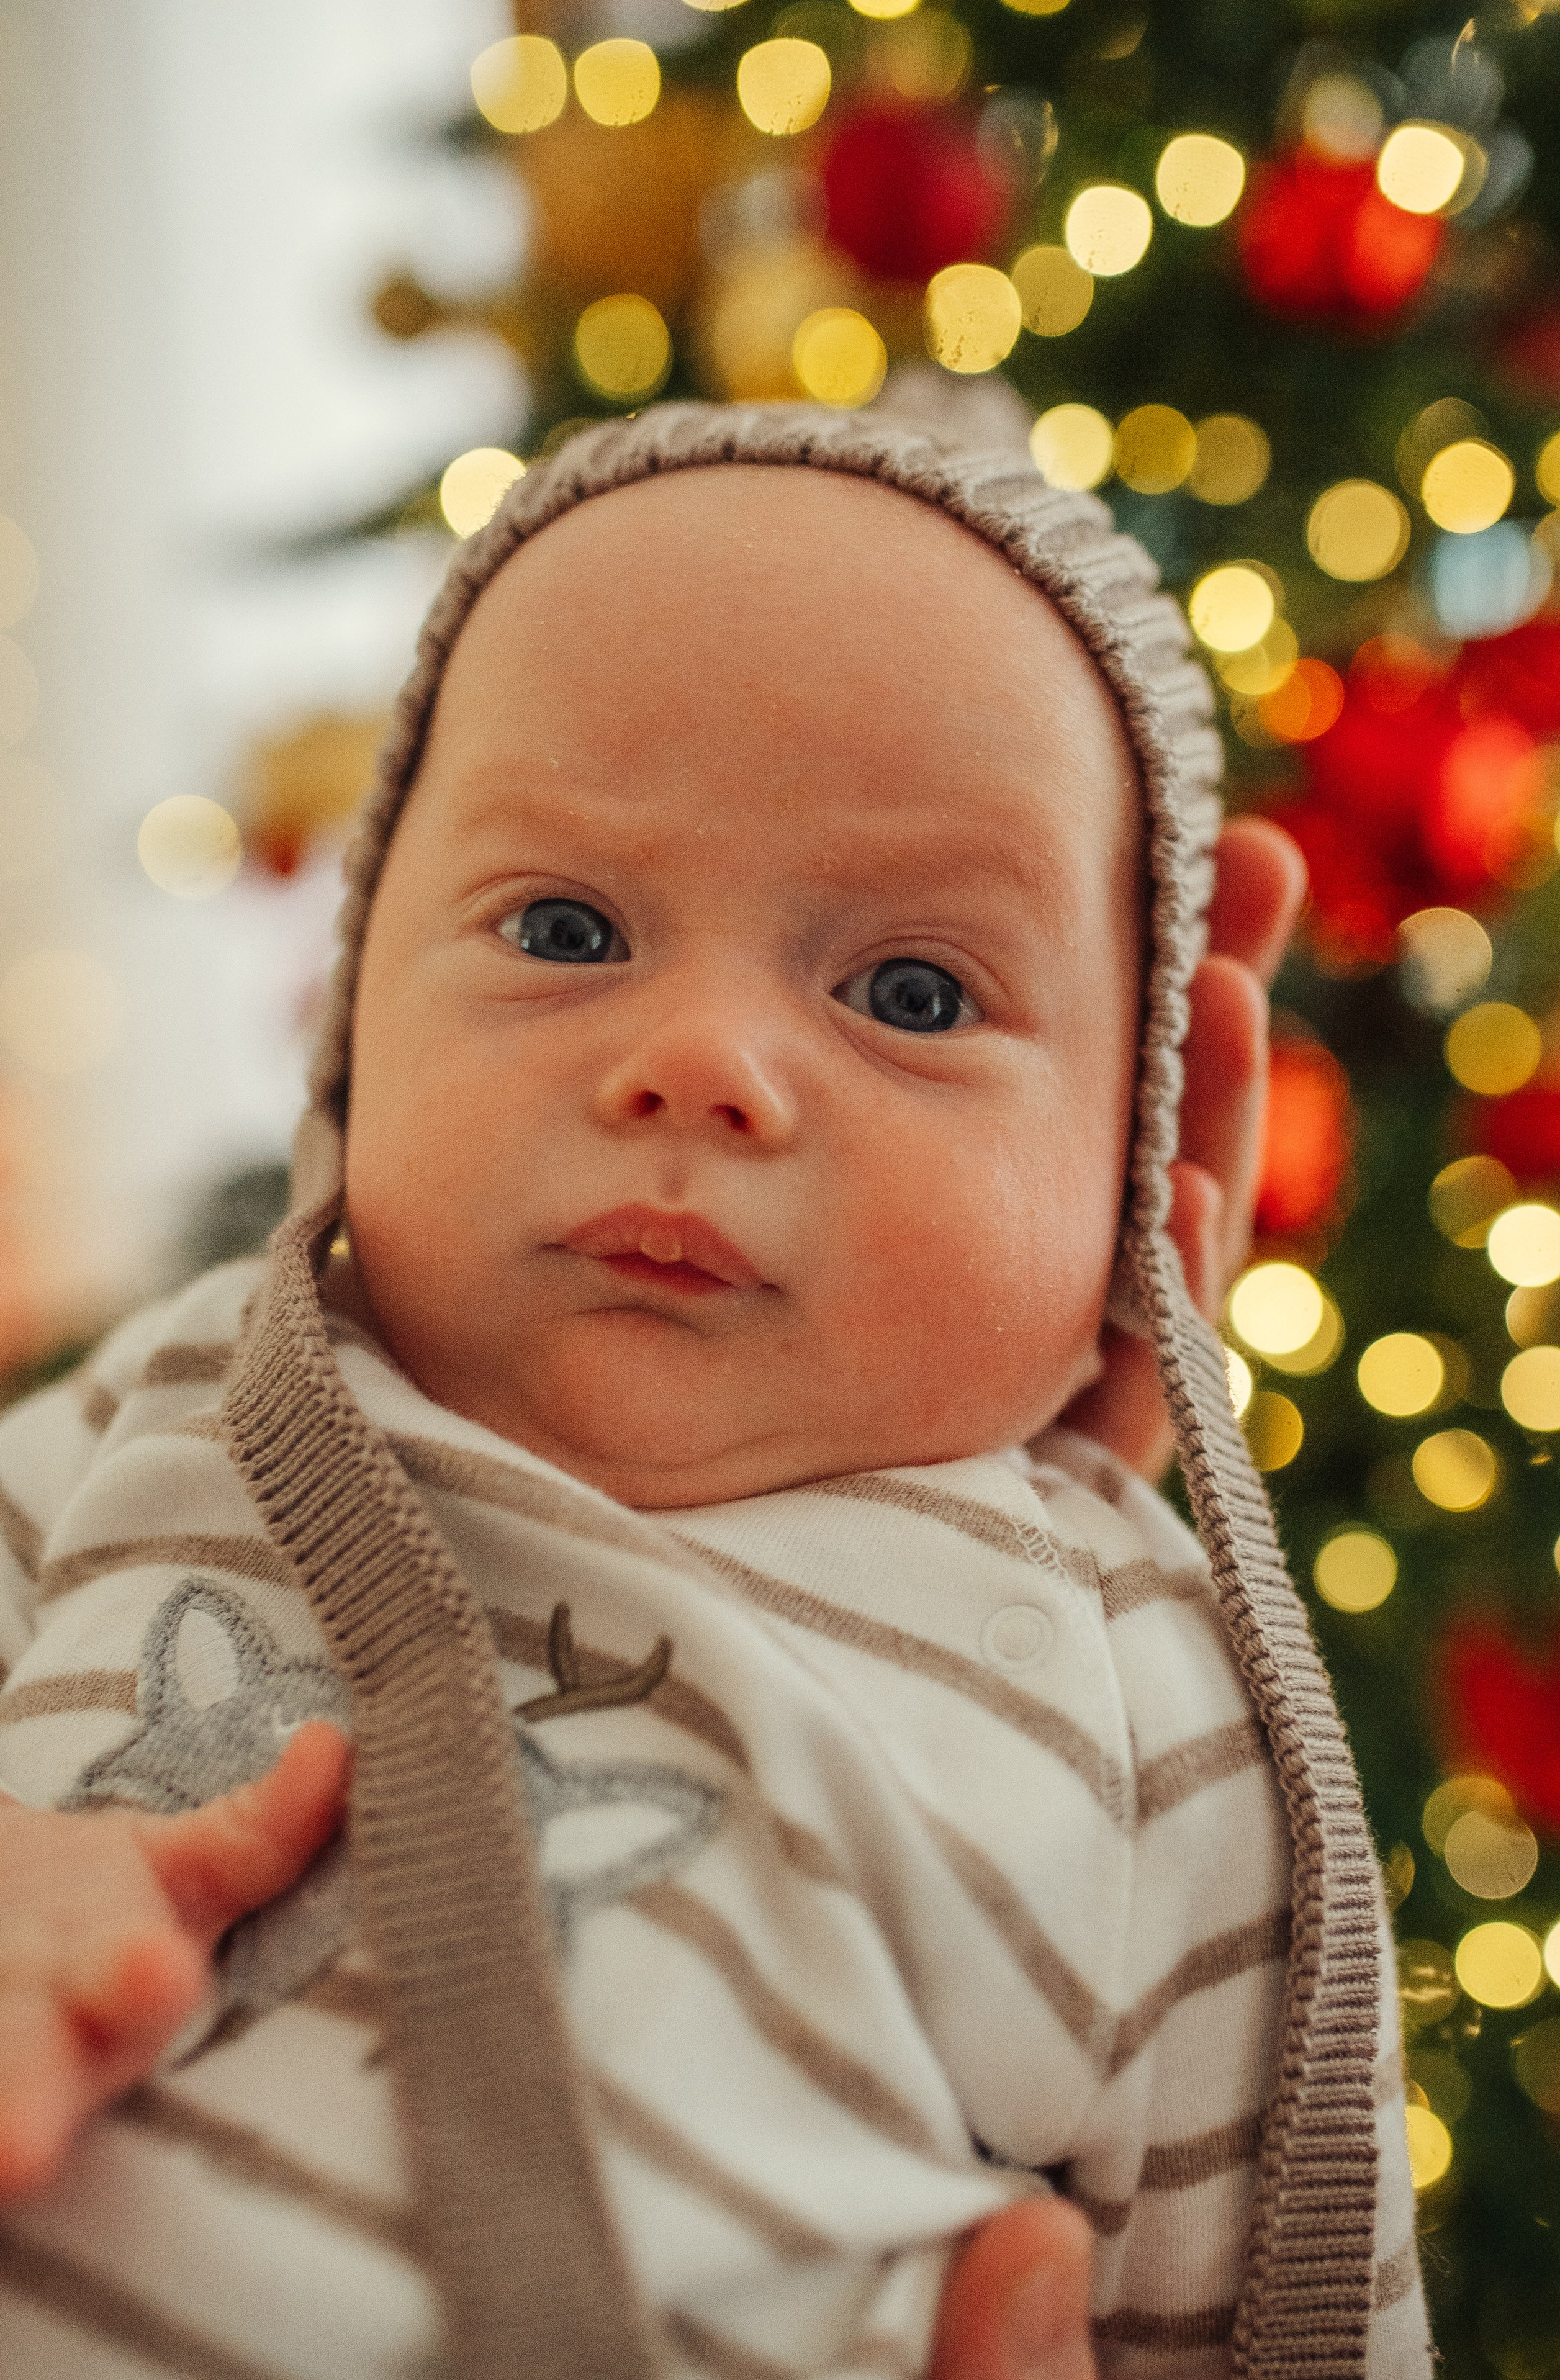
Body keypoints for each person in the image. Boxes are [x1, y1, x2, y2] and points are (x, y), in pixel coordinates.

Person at [0, 403, 1426, 2380]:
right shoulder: (175, 1402)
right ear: (352, 1028)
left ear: (1129, 1170)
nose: (698, 1063)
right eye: (565, 928)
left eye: (912, 993)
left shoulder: (1149, 1695)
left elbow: (1275, 2302)